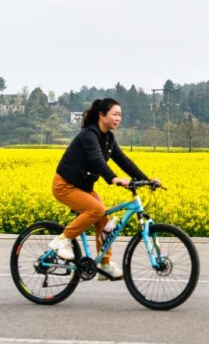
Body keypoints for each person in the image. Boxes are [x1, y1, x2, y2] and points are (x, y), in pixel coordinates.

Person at [48, 97, 159, 280]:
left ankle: (105, 264)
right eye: (115, 114)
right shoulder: (88, 135)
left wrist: (146, 179)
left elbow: (123, 160)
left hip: (83, 187)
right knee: (96, 209)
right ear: (102, 115)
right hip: (65, 186)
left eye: (120, 115)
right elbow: (96, 159)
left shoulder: (108, 138)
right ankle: (61, 241)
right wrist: (113, 178)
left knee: (104, 217)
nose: (118, 118)